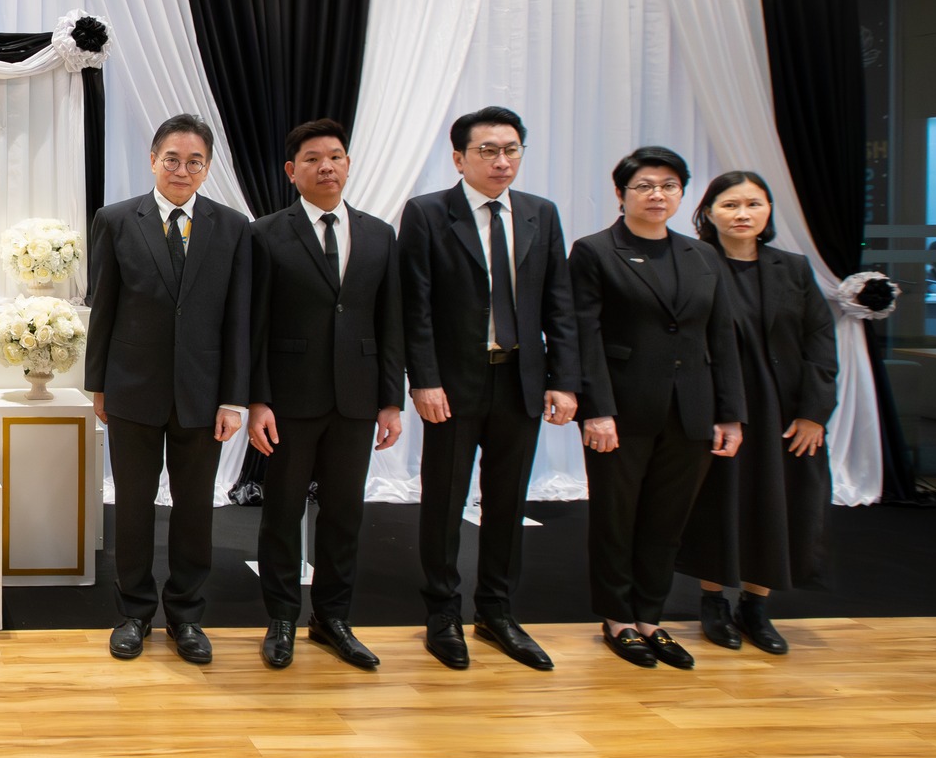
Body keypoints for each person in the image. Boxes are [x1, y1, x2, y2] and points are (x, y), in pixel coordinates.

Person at [399, 106, 581, 672]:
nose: (501, 161)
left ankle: (497, 611)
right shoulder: (428, 213)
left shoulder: (540, 214)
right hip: (454, 383)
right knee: (445, 500)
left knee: (507, 502)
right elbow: (416, 305)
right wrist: (424, 379)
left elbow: (559, 303)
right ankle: (442, 613)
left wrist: (564, 381)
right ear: (459, 158)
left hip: (521, 379)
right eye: (488, 150)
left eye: (511, 150)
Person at [86, 114, 251, 664]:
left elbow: (238, 320)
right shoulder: (115, 220)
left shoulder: (232, 227)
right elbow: (104, 307)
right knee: (132, 507)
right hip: (132, 389)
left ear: (208, 167)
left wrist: (233, 398)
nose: (182, 170)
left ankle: (186, 616)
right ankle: (133, 613)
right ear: (154, 160)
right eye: (173, 159)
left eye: (194, 162)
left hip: (204, 396)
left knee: (194, 510)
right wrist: (98, 386)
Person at [571, 146, 744, 670]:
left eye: (669, 186)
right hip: (621, 410)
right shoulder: (595, 251)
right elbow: (584, 336)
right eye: (644, 185)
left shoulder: (703, 256)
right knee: (616, 516)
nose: (657, 195)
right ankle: (617, 619)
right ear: (621, 193)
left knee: (667, 520)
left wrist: (729, 413)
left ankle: (650, 617)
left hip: (692, 409)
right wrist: (596, 409)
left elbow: (721, 337)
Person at [246, 119, 404, 672]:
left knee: (344, 513)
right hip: (290, 398)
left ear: (348, 164)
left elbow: (391, 321)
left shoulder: (379, 234)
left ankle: (333, 618)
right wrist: (257, 400)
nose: (326, 167)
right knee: (283, 511)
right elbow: (254, 325)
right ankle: (281, 617)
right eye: (312, 159)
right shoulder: (265, 233)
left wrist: (391, 400)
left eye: (335, 156)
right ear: (292, 172)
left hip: (357, 398)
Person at [678, 170, 837, 655]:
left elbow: (819, 340)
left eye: (754, 204)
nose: (743, 214)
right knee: (716, 501)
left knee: (778, 502)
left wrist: (814, 413)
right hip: (718, 408)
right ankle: (712, 602)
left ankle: (755, 606)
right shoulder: (693, 262)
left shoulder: (793, 267)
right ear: (708, 213)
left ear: (769, 210)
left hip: (784, 412)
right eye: (730, 205)